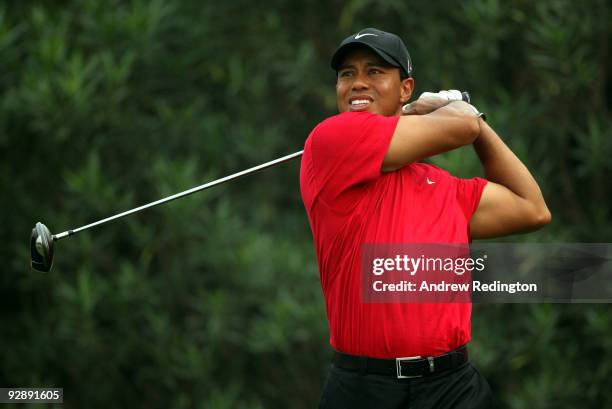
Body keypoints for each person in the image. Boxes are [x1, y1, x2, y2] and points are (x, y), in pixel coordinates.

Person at [299, 28, 551, 409]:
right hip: (366, 390)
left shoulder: (444, 187)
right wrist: (464, 114)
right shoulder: (329, 142)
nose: (358, 83)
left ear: (406, 88)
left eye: (375, 71)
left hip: (454, 387)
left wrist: (479, 124)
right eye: (347, 74)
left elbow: (531, 207)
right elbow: (460, 127)